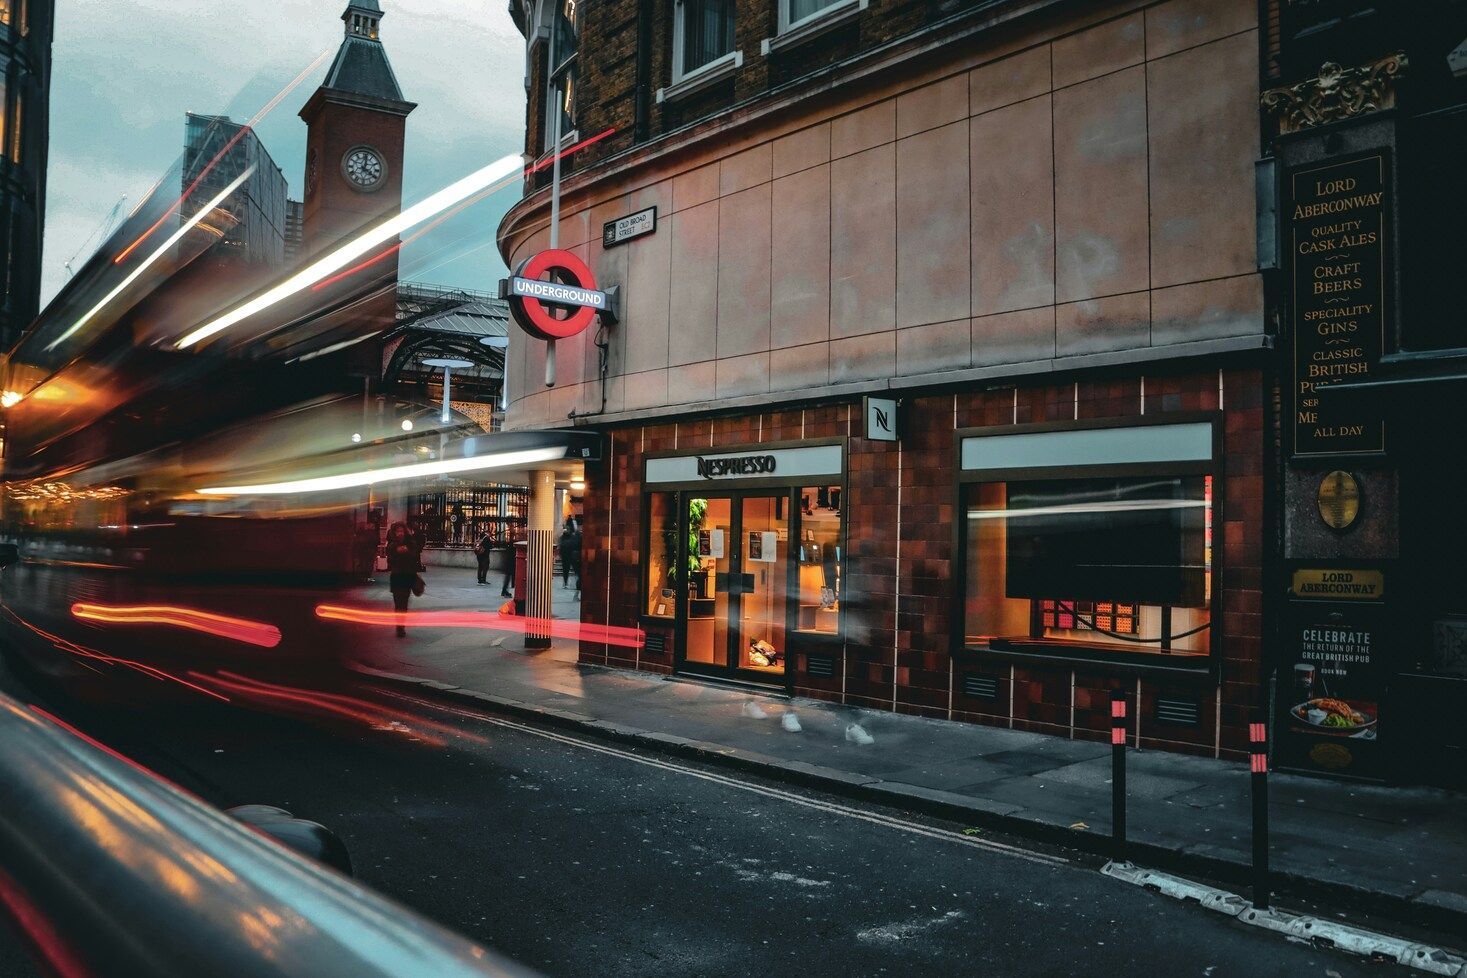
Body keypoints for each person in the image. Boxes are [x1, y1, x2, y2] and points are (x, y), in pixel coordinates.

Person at [385, 521, 422, 637]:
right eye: (397, 531)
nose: (400, 534)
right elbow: (389, 562)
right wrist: (397, 552)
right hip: (396, 577)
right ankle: (399, 626)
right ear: (394, 533)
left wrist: (407, 552)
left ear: (405, 532)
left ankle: (402, 625)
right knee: (397, 602)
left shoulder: (411, 543)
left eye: (401, 531)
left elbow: (416, 558)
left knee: (404, 602)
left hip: (407, 576)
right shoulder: (391, 546)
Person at [559, 521, 581, 590]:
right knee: (574, 571)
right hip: (569, 557)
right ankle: (570, 583)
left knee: (571, 571)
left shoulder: (564, 538)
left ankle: (568, 583)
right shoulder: (571, 537)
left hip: (569, 557)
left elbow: (562, 547)